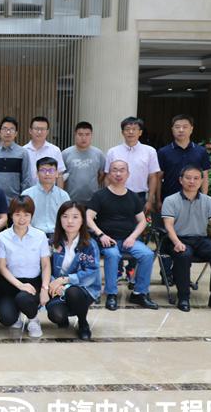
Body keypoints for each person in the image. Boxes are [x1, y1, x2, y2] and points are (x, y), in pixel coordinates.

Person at [161, 165, 211, 314]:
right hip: (176, 239)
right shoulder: (170, 200)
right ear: (180, 180)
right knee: (184, 255)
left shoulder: (208, 201)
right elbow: (168, 226)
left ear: (201, 181)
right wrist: (177, 242)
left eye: (196, 178)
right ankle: (183, 298)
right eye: (188, 178)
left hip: (200, 240)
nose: (192, 181)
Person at [86, 160, 158, 311]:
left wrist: (132, 237)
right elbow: (88, 218)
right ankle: (111, 294)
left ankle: (139, 293)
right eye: (114, 170)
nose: (118, 174)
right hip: (107, 240)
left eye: (122, 170)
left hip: (128, 240)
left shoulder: (133, 197)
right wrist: (101, 235)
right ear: (109, 174)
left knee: (147, 254)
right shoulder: (100, 195)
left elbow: (142, 221)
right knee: (113, 255)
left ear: (128, 174)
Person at [0, 196, 51, 338]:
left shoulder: (40, 236)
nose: (22, 219)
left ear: (32, 215)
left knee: (23, 299)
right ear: (11, 215)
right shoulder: (2, 237)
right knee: (6, 318)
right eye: (17, 214)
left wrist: (45, 288)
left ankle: (33, 319)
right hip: (11, 283)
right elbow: (2, 267)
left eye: (26, 215)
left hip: (33, 283)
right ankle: (17, 314)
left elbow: (46, 265)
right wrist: (20, 285)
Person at [46, 201, 101, 340]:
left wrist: (64, 280)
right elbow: (45, 267)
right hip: (57, 289)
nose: (70, 221)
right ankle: (64, 316)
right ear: (59, 219)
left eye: (75, 217)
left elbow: (91, 272)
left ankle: (83, 322)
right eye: (65, 216)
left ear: (82, 220)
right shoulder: (53, 243)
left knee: (73, 292)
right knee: (56, 315)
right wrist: (54, 283)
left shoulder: (89, 244)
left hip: (82, 289)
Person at [104, 117, 160, 213]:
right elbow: (107, 177)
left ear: (140, 132)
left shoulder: (150, 151)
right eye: (127, 129)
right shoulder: (113, 152)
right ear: (122, 132)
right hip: (116, 196)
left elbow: (153, 177)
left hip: (140, 197)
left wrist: (150, 200)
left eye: (134, 129)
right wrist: (108, 197)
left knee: (139, 222)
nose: (130, 132)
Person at [157, 114, 211, 205]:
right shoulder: (163, 152)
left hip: (194, 200)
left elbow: (204, 177)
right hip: (169, 200)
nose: (181, 130)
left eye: (185, 127)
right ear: (172, 129)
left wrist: (204, 200)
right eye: (177, 127)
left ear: (191, 129)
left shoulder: (201, 151)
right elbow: (158, 178)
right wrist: (158, 200)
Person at [21, 157, 70, 237]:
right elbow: (22, 219)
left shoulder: (63, 195)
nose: (47, 174)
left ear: (57, 173)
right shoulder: (27, 194)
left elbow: (68, 219)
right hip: (33, 236)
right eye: (43, 170)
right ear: (37, 173)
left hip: (57, 236)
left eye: (51, 170)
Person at [0, 116, 32, 203]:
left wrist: (22, 200)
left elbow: (26, 179)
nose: (8, 132)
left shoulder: (23, 153)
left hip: (16, 201)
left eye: (11, 129)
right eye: (5, 129)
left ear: (16, 133)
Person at [62, 121, 106, 204]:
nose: (84, 138)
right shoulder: (65, 154)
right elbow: (61, 177)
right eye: (80, 134)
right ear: (75, 135)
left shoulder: (98, 154)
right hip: (70, 199)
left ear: (91, 135)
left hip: (93, 199)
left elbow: (102, 174)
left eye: (87, 134)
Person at [23, 116, 66, 187]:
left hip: (50, 192)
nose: (39, 132)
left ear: (47, 132)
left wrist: (59, 193)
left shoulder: (55, 150)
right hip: (28, 192)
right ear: (30, 130)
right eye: (36, 129)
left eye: (42, 129)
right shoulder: (23, 151)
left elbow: (60, 175)